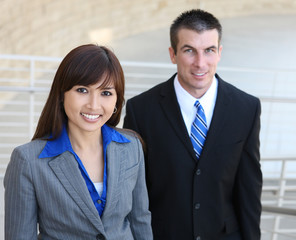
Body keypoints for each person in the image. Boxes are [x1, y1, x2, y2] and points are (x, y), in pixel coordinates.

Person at [123, 9, 262, 240]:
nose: (200, 63)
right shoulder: (141, 110)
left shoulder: (246, 108)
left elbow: (249, 189)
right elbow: (133, 191)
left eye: (209, 50)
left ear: (219, 53)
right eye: (189, 51)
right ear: (173, 54)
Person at [4, 44, 153, 240]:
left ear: (117, 100)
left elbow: (140, 222)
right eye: (82, 90)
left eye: (106, 93)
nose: (94, 105)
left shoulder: (132, 147)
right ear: (61, 94)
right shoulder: (28, 160)